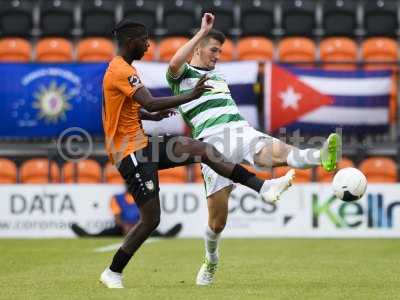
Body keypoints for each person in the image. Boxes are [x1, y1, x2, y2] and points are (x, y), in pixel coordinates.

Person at [99, 19, 295, 289]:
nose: (148, 44)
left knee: (203, 149)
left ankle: (264, 187)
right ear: (130, 41)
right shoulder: (121, 71)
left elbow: (122, 109)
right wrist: (190, 95)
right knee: (151, 219)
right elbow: (151, 100)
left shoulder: (123, 68)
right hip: (130, 153)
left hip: (142, 143)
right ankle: (113, 271)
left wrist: (149, 115)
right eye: (144, 40)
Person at [166, 13, 341, 285]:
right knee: (217, 224)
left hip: (240, 131)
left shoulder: (219, 77)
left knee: (278, 152)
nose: (218, 56)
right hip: (211, 146)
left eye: (220, 51)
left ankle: (320, 156)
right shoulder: (182, 77)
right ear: (198, 48)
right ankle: (211, 261)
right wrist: (202, 32)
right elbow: (175, 62)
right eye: (214, 50)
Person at [70, 191, 182, 238]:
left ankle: (165, 236)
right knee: (108, 232)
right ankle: (89, 236)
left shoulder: (142, 198)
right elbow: (117, 218)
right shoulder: (117, 198)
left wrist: (134, 227)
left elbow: (147, 217)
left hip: (138, 226)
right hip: (123, 227)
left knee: (150, 230)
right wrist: (125, 226)